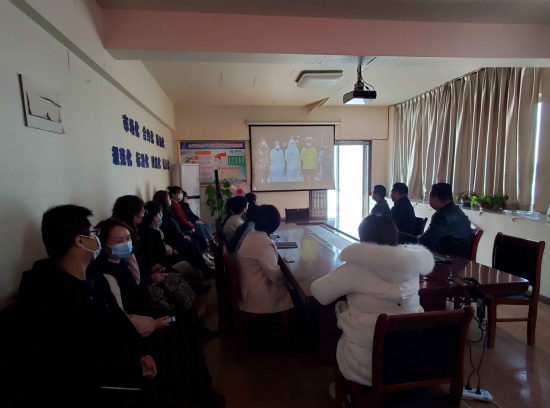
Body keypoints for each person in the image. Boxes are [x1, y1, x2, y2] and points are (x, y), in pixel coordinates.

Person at [17, 205, 156, 408]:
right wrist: (132, 369)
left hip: (119, 367)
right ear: (80, 241)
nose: (97, 239)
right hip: (91, 389)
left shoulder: (94, 277)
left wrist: (141, 352)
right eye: (94, 233)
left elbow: (118, 318)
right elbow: (73, 362)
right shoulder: (46, 294)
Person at [311, 215, 434, 387]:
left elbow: (319, 293)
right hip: (412, 357)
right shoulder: (413, 266)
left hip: (369, 364)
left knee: (340, 325)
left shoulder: (355, 269)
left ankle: (345, 390)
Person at [236, 205, 294, 313]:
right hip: (257, 296)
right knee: (295, 293)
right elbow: (275, 275)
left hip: (247, 287)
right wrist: (289, 282)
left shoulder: (251, 234)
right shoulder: (264, 243)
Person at [152, 190, 214, 279]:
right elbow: (171, 232)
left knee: (196, 238)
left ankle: (203, 266)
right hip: (175, 242)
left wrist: (183, 234)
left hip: (179, 235)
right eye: (168, 198)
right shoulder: (164, 215)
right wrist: (183, 236)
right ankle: (204, 269)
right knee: (192, 244)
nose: (169, 199)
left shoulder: (168, 211)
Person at [419, 183, 473, 258]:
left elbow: (426, 241)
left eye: (429, 197)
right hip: (460, 258)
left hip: (449, 259)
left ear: (435, 199)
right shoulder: (456, 210)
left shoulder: (442, 216)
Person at [167, 186, 208, 252]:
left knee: (204, 227)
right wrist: (190, 226)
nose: (181, 195)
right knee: (199, 234)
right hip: (183, 228)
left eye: (181, 193)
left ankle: (207, 248)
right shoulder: (173, 205)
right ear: (173, 194)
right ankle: (206, 248)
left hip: (186, 225)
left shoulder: (177, 204)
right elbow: (181, 219)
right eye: (179, 193)